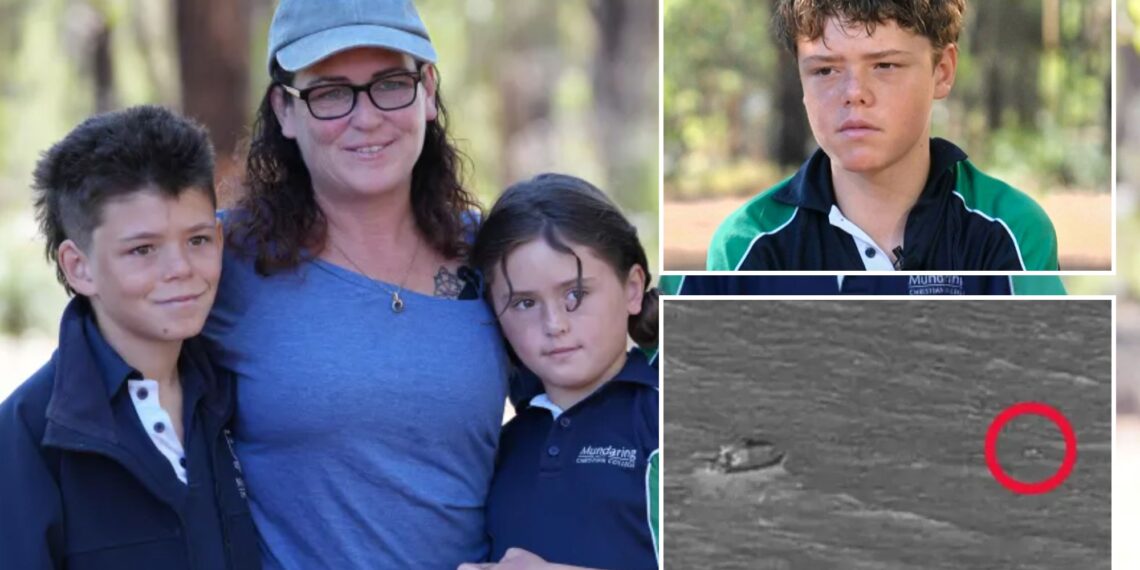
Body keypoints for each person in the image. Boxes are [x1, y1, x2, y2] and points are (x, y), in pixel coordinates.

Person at [202, 0, 509, 567]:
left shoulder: (495, 253)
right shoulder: (223, 260)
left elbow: (589, 409)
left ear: (429, 92)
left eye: (390, 83)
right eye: (330, 93)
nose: (365, 118)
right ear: (286, 111)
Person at [0, 105, 260, 569]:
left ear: (220, 239)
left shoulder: (239, 395)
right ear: (78, 267)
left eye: (197, 240)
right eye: (143, 249)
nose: (180, 269)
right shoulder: (27, 435)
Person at [707, 0, 1060, 271]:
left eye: (885, 65)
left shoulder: (1010, 231)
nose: (854, 92)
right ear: (800, 79)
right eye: (825, 70)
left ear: (942, 71)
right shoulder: (747, 246)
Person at [462, 173, 660, 570]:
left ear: (633, 288)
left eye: (576, 294)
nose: (554, 324)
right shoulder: (499, 444)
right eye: (524, 303)